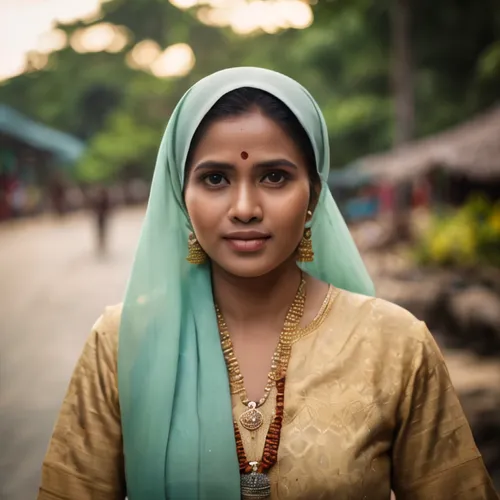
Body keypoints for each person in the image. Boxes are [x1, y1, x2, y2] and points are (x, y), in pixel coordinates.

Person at [37, 68, 498, 500]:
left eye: (274, 177)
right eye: (215, 178)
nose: (244, 207)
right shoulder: (123, 344)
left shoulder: (395, 346)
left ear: (314, 194)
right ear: (182, 195)